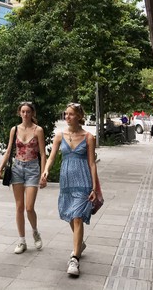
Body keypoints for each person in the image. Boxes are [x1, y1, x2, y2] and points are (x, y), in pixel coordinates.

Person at [41, 103, 98, 277]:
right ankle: (79, 243)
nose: (67, 117)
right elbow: (51, 158)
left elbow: (92, 163)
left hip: (83, 181)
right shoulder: (60, 136)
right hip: (66, 181)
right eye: (66, 114)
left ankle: (74, 258)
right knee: (68, 214)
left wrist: (94, 186)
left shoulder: (88, 137)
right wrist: (46, 170)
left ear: (79, 116)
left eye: (71, 114)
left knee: (77, 217)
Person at [0, 102, 47, 254]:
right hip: (17, 168)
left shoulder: (38, 130)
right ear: (19, 113)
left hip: (32, 169)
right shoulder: (14, 129)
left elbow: (43, 153)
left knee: (29, 207)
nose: (25, 114)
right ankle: (22, 240)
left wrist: (44, 174)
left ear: (32, 113)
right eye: (22, 112)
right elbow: (9, 150)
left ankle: (35, 231)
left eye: (28, 112)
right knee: (19, 207)